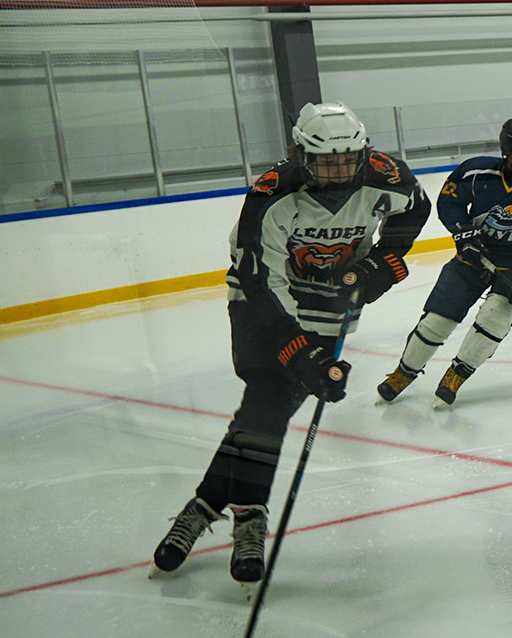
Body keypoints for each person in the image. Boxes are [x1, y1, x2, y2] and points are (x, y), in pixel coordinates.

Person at [150, 103, 428, 585]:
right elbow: (262, 282)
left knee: (267, 408)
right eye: (325, 163)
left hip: (328, 300)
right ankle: (249, 515)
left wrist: (381, 265)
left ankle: (202, 507)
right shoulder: (271, 193)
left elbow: (416, 211)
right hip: (260, 297)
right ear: (300, 154)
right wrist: (302, 353)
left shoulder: (389, 177)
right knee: (269, 395)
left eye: (347, 161)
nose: (339, 173)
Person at [375, 118, 512, 407]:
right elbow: (448, 202)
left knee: (496, 317)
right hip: (473, 256)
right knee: (437, 319)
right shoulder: (475, 171)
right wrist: (462, 232)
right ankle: (404, 372)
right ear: (506, 149)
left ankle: (456, 374)